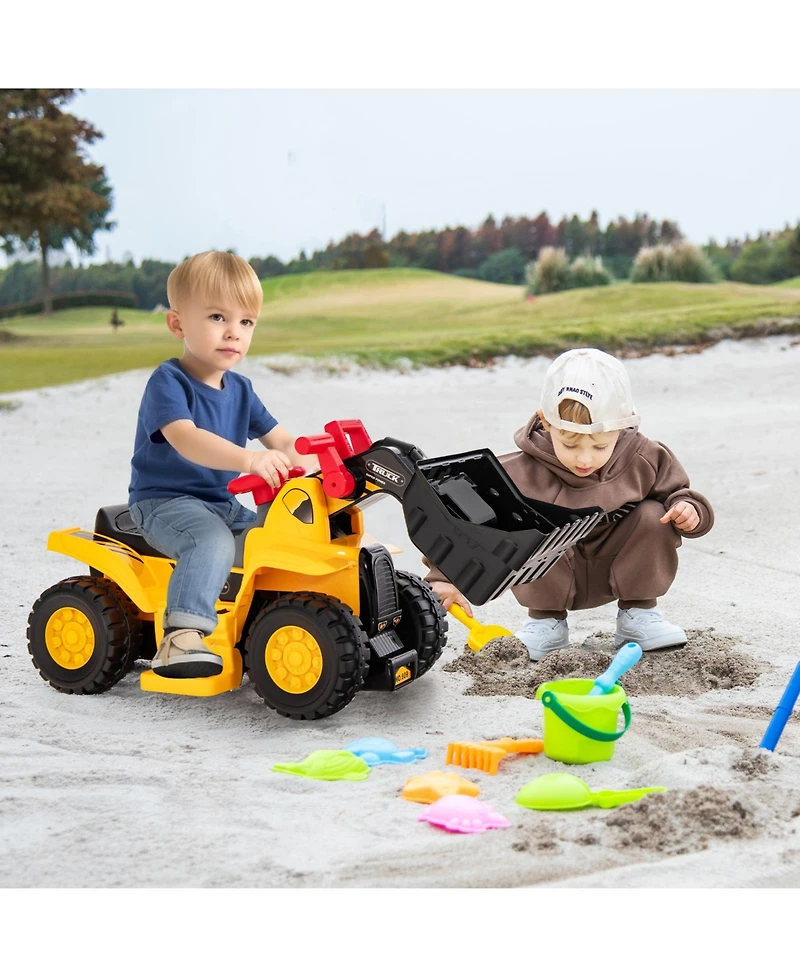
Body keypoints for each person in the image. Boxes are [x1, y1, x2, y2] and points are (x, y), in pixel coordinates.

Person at [426, 347, 714, 659]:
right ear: (545, 423)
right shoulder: (517, 472)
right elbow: (468, 525)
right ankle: (546, 624)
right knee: (525, 525)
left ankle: (639, 616)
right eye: (570, 444)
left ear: (623, 427)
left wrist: (689, 510)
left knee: (653, 514)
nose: (584, 459)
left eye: (600, 446)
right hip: (551, 573)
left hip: (620, 563)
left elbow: (678, 492)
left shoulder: (645, 456)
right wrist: (443, 578)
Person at [127, 251, 312, 679]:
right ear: (177, 324)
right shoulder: (169, 382)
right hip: (165, 502)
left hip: (222, 503)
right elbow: (186, 438)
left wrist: (314, 463)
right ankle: (180, 637)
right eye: (217, 317)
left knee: (276, 537)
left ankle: (268, 621)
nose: (234, 332)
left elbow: (283, 441)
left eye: (246, 322)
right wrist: (249, 459)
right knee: (211, 542)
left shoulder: (241, 389)